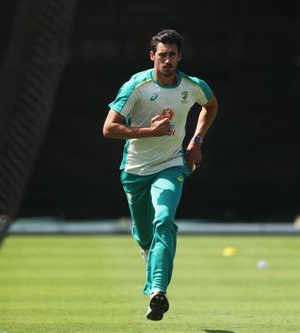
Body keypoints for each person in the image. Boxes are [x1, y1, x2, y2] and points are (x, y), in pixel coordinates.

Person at [102, 29, 218, 321]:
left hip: (171, 164)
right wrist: (148, 132)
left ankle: (157, 292)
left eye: (173, 55)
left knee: (164, 219)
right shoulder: (136, 86)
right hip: (135, 170)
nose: (168, 60)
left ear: (180, 57)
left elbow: (210, 105)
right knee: (145, 235)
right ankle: (147, 252)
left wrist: (196, 140)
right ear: (152, 56)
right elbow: (109, 128)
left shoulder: (193, 86)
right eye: (162, 54)